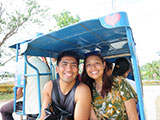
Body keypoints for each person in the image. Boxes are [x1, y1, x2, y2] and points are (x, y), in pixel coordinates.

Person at [81, 52, 138, 120]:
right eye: (88, 64)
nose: (93, 67)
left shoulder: (119, 82)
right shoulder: (87, 90)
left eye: (97, 63)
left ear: (104, 65)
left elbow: (133, 116)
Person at [39, 50, 91, 120]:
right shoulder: (49, 86)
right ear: (57, 69)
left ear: (77, 71)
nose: (69, 69)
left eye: (73, 65)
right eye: (64, 64)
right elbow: (44, 116)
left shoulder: (82, 90)